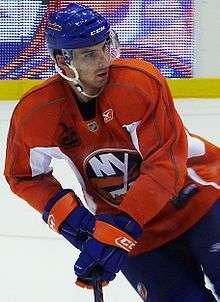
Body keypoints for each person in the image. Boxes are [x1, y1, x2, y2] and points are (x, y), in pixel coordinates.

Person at [4, 3, 220, 302]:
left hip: (200, 198)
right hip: (135, 232)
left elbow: (164, 166)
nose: (104, 59)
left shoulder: (139, 84)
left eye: (106, 47)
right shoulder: (37, 114)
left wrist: (118, 229)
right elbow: (23, 175)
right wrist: (74, 222)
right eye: (89, 54)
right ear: (62, 61)